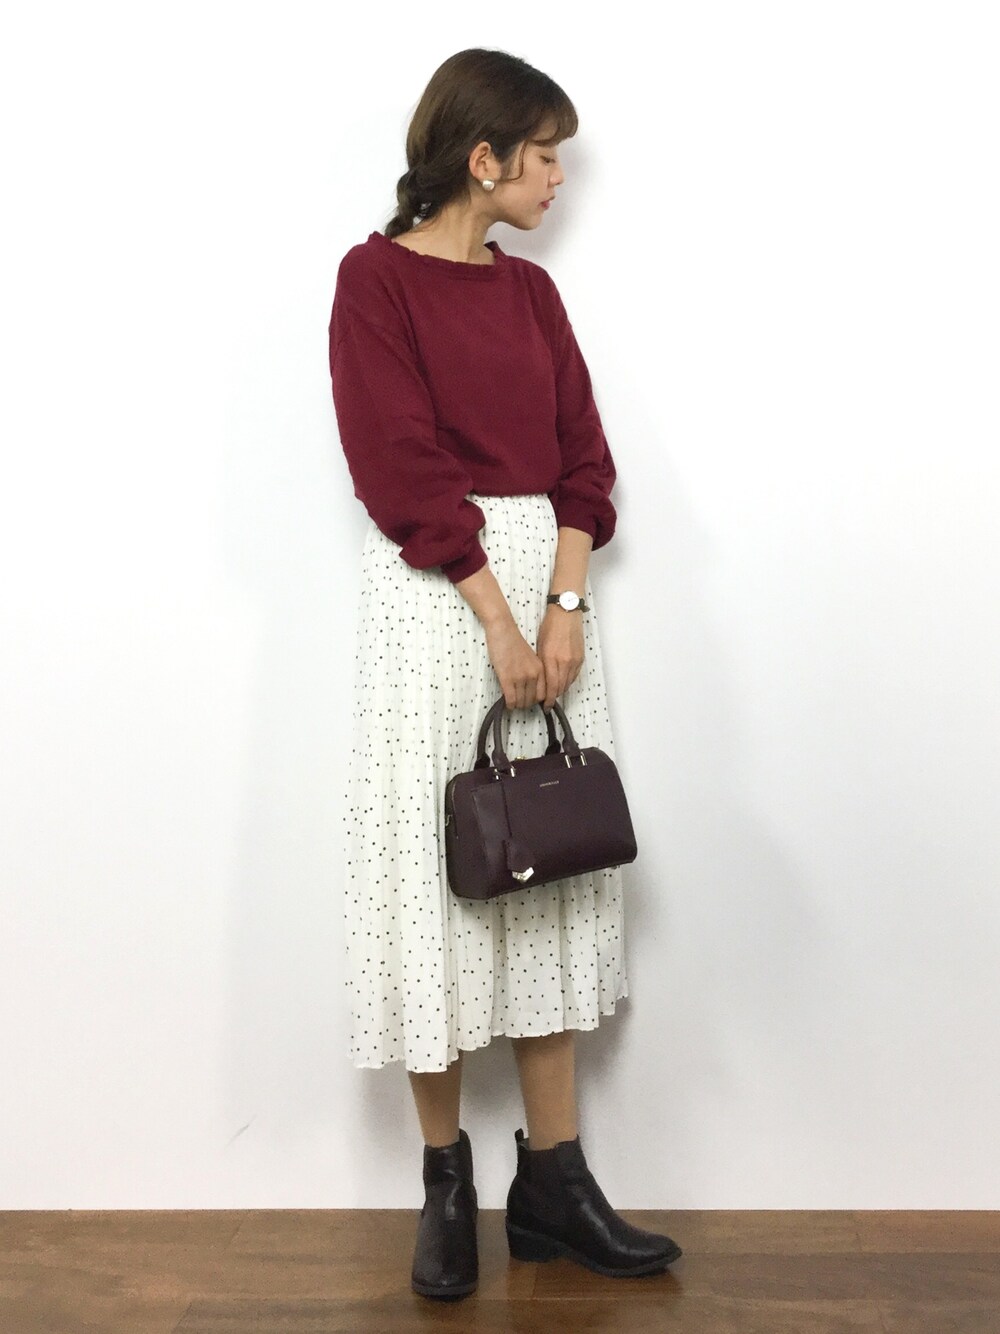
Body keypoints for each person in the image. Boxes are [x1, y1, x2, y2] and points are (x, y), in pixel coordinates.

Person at [327, 47, 682, 1300]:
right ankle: (445, 1183)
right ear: (481, 159)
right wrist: (496, 617)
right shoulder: (373, 281)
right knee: (439, 873)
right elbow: (396, 464)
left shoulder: (531, 294)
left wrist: (563, 603)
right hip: (439, 597)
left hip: (546, 593)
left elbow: (584, 454)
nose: (557, 179)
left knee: (554, 854)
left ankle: (555, 1183)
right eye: (543, 156)